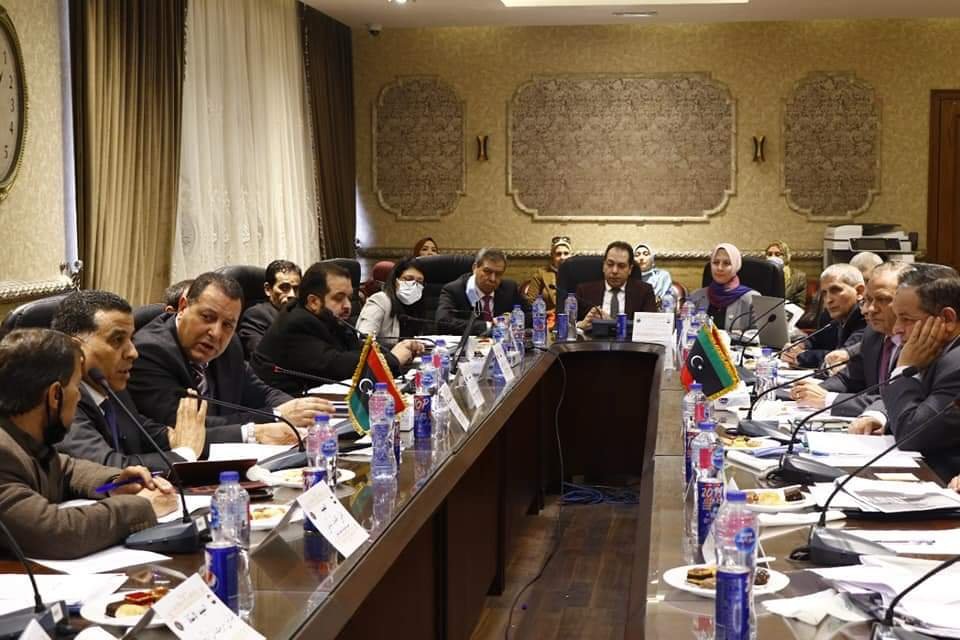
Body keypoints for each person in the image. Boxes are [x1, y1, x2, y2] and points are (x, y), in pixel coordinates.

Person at [0, 328, 177, 559]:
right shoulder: (3, 452)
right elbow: (56, 533)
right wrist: (142, 507)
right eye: (77, 386)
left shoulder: (22, 439)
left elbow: (67, 469)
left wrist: (114, 483)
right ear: (55, 395)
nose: (79, 397)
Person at [129, 272, 331, 444]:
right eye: (207, 317)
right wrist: (276, 417)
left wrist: (300, 410)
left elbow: (261, 393)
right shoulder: (148, 351)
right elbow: (188, 428)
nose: (216, 333)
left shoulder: (230, 344)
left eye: (227, 324)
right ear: (182, 307)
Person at [52, 290, 209, 470]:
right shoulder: (61, 399)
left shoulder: (110, 387)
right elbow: (109, 467)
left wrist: (177, 438)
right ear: (76, 349)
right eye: (117, 340)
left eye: (131, 339)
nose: (133, 353)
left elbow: (144, 434)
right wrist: (185, 455)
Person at [253, 262, 424, 395]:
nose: (348, 306)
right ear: (313, 302)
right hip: (281, 410)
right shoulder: (296, 323)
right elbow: (336, 365)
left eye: (349, 298)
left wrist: (397, 350)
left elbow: (360, 349)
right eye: (339, 298)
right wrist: (393, 359)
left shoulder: (331, 319)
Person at [790, 261, 911, 425]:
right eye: (868, 300)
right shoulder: (874, 334)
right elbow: (849, 378)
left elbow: (893, 399)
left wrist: (828, 399)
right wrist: (804, 392)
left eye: (882, 299)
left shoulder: (918, 341)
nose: (868, 309)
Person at [880, 274, 960, 481]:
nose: (896, 329)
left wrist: (904, 369)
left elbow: (912, 434)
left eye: (906, 319)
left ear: (947, 319)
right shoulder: (939, 353)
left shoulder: (956, 364)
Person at [782, 264, 866, 369]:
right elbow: (816, 340)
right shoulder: (829, 315)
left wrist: (802, 357)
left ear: (859, 291)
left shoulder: (866, 317)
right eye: (824, 293)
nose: (828, 300)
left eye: (836, 290)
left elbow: (841, 357)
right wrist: (799, 346)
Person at [436, 248, 530, 335]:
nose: (493, 279)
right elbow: (442, 322)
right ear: (475, 268)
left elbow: (530, 315)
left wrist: (512, 319)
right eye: (487, 271)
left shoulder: (509, 288)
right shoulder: (454, 290)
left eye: (498, 274)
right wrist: (488, 325)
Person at [577, 241, 657, 330]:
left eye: (621, 266)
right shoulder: (584, 291)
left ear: (630, 269)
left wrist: (611, 323)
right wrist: (580, 325)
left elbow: (650, 327)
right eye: (610, 264)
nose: (614, 271)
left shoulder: (644, 291)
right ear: (603, 266)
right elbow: (569, 324)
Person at [688, 243, 759, 332]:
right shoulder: (696, 296)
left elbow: (758, 336)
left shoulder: (752, 299)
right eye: (715, 262)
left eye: (726, 263)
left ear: (736, 266)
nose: (720, 268)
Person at [237, 259, 302, 357]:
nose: (292, 295)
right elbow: (261, 359)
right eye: (284, 288)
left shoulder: (304, 314)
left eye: (296, 289)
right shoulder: (256, 315)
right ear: (268, 289)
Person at [357, 257, 431, 339]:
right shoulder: (380, 300)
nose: (414, 285)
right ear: (396, 281)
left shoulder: (419, 305)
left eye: (419, 281)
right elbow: (364, 339)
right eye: (408, 279)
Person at [525, 236, 572, 312]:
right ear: (552, 255)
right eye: (558, 254)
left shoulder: (577, 274)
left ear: (570, 256)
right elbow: (530, 302)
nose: (562, 257)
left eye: (566, 253)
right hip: (546, 316)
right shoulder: (541, 273)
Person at [765, 240, 807, 306]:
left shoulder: (799, 277)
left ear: (786, 256)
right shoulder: (761, 275)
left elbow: (800, 304)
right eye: (769, 254)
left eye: (777, 254)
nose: (773, 257)